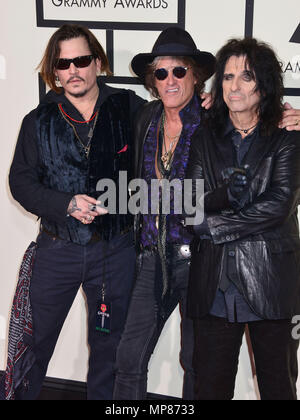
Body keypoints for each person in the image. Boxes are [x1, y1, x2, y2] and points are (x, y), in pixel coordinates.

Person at [7, 24, 145, 400]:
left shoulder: (130, 108)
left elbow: (177, 121)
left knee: (109, 350)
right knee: (33, 346)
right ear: (54, 72)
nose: (73, 71)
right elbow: (21, 183)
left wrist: (210, 106)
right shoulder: (38, 121)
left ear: (97, 62)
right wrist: (65, 203)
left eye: (81, 60)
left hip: (115, 251)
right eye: (63, 64)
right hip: (57, 250)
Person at [186, 37, 300, 400]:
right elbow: (192, 205)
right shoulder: (205, 136)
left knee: (277, 386)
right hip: (215, 283)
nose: (234, 86)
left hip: (270, 281)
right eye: (228, 76)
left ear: (263, 86)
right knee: (210, 388)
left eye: (246, 77)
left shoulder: (287, 137)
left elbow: (280, 203)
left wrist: (217, 225)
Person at [113, 26, 216, 400]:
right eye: (161, 72)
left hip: (201, 259)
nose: (169, 80)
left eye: (178, 71)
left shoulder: (214, 119)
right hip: (153, 256)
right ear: (152, 80)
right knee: (128, 356)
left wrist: (289, 117)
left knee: (196, 360)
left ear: (195, 74)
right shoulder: (145, 118)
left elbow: (259, 127)